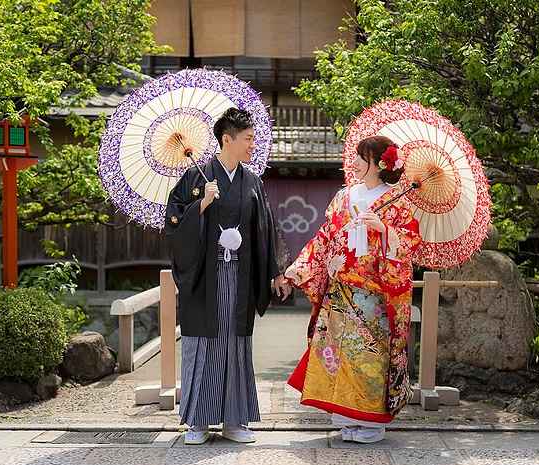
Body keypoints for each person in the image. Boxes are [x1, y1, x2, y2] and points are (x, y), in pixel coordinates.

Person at [165, 107, 291, 445]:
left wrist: (276, 271)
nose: (253, 144)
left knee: (235, 345)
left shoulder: (252, 182)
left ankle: (235, 420)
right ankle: (198, 422)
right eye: (248, 139)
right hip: (204, 277)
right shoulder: (195, 179)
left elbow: (266, 229)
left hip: (240, 276)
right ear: (227, 139)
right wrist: (200, 206)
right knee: (203, 345)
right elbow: (173, 223)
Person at [284, 135, 421, 443]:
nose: (355, 163)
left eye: (361, 157)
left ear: (377, 162)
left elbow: (410, 245)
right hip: (340, 290)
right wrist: (300, 265)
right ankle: (346, 418)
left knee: (368, 359)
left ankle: (371, 423)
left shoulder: (398, 200)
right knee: (338, 355)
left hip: (373, 294)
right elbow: (325, 236)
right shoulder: (344, 196)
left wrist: (384, 229)